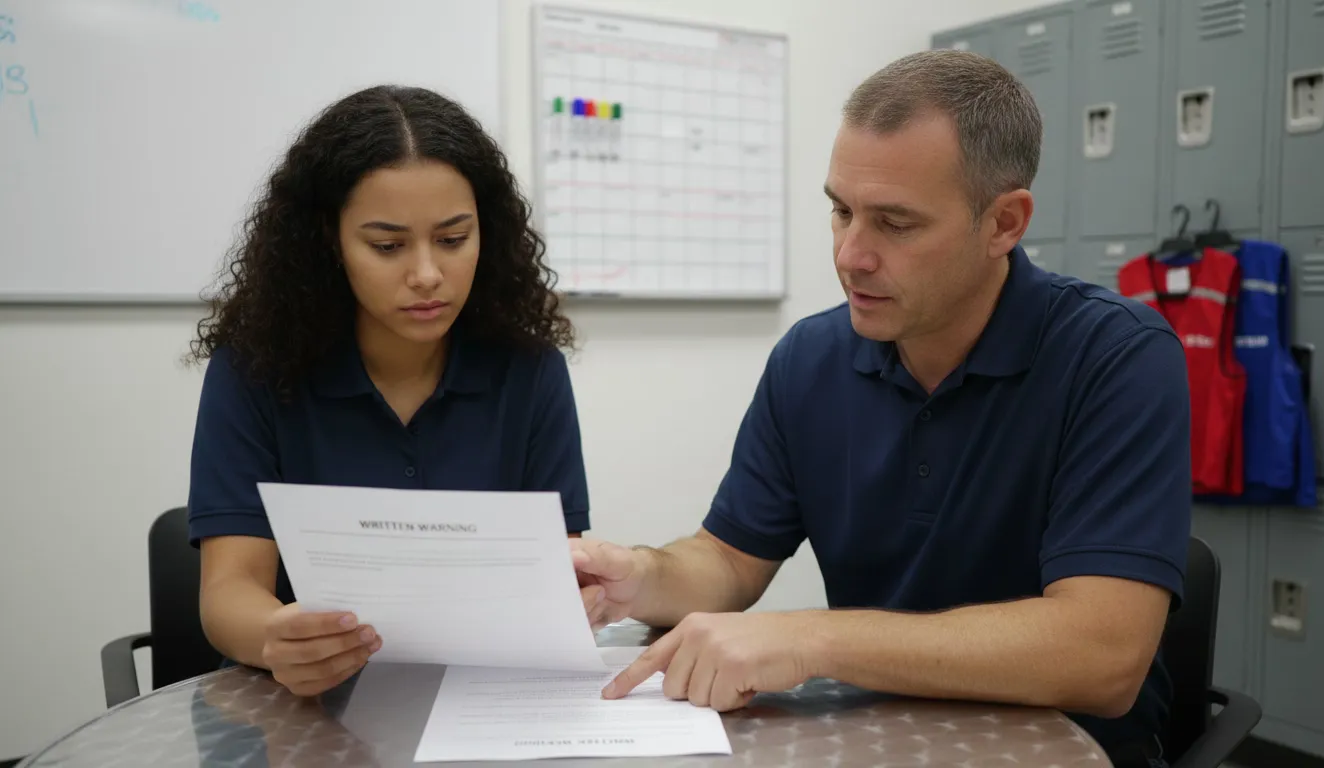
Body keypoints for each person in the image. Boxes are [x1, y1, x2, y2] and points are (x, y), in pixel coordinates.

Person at [573, 50, 1191, 768]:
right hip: (873, 739)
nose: (851, 255)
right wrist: (640, 575)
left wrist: (810, 639)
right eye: (841, 210)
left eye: (895, 224)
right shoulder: (810, 359)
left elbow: (1102, 657)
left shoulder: (1115, 357)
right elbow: (728, 559)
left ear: (1004, 223)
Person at [186, 85, 590, 698]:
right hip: (307, 705)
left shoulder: (529, 371)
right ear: (329, 242)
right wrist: (278, 637)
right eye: (387, 246)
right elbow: (228, 592)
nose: (427, 274)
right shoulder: (254, 370)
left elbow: (554, 577)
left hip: (482, 697)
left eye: (454, 239)